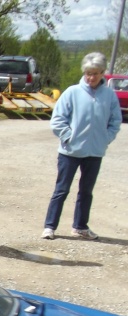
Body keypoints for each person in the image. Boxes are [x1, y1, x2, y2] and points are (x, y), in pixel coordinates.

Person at [41, 52, 121, 241]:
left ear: (102, 73)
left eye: (95, 73)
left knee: (86, 191)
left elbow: (115, 121)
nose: (91, 77)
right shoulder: (72, 92)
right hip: (70, 152)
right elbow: (57, 120)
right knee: (61, 190)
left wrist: (105, 138)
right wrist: (68, 137)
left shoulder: (109, 96)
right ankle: (49, 226)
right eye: (88, 73)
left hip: (95, 152)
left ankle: (80, 226)